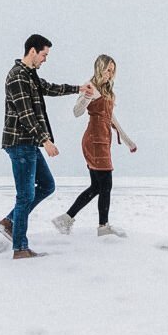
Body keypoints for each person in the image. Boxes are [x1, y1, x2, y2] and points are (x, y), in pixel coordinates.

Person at [0, 34, 92, 260]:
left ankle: (9, 222)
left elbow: (50, 88)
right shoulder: (17, 77)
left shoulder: (30, 75)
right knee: (25, 195)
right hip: (20, 143)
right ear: (32, 51)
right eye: (44, 54)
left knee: (47, 185)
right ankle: (20, 248)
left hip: (29, 143)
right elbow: (26, 114)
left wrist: (79, 88)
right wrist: (45, 141)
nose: (45, 59)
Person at [53, 54, 137, 237]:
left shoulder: (106, 91)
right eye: (108, 70)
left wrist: (128, 141)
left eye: (113, 71)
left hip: (103, 139)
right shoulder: (91, 87)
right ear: (100, 67)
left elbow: (111, 118)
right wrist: (85, 98)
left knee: (97, 186)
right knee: (106, 184)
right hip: (94, 139)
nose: (110, 74)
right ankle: (103, 227)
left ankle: (65, 219)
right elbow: (77, 112)